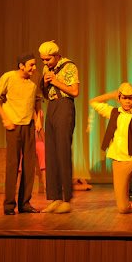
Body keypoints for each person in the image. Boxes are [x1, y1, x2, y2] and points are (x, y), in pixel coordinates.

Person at [90, 83, 132, 217]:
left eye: (130, 98)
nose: (128, 101)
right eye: (124, 98)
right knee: (123, 208)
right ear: (119, 99)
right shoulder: (113, 112)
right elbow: (93, 102)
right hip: (119, 161)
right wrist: (111, 95)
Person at [0, 53, 43, 215]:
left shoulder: (35, 78)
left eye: (35, 64)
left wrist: (38, 118)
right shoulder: (9, 77)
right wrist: (5, 118)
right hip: (13, 125)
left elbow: (37, 99)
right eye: (31, 65)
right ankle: (9, 205)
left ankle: (25, 203)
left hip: (29, 125)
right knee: (13, 165)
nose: (34, 68)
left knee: (29, 166)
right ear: (21, 66)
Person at [38, 40, 79, 214]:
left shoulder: (69, 66)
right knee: (51, 153)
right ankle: (55, 198)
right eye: (43, 60)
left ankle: (67, 199)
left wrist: (55, 81)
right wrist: (46, 84)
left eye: (48, 59)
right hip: (52, 107)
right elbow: (46, 94)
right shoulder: (46, 69)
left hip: (65, 106)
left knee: (62, 152)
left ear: (56, 55)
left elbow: (75, 91)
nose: (45, 63)